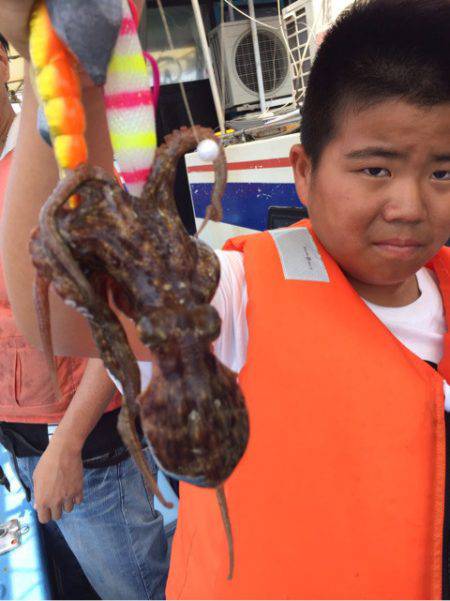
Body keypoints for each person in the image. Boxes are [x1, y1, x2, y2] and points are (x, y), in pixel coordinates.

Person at [1, 0, 450, 598]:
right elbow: (62, 306)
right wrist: (56, 68)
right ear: (303, 172)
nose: (410, 206)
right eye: (374, 169)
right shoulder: (237, 291)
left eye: (444, 173)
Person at [0, 32, 169, 600]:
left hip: (84, 450)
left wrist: (67, 446)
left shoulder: (62, 164)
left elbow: (125, 321)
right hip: (17, 444)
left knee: (137, 589)